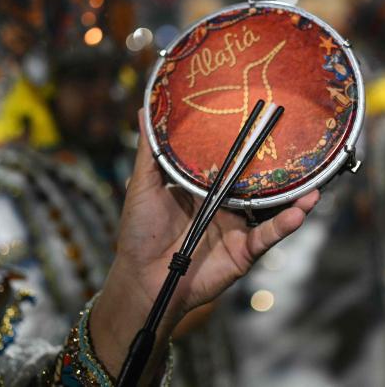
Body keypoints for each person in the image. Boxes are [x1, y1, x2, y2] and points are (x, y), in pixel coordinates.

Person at [53, 111, 320, 385]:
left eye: (110, 79)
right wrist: (141, 295)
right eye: (83, 78)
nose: (101, 94)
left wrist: (142, 296)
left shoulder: (126, 154)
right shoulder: (26, 184)